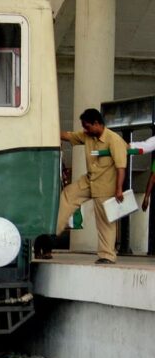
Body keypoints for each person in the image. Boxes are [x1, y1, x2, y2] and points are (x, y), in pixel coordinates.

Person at [44, 108, 127, 264]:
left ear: (97, 123)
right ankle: (52, 233)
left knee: (105, 221)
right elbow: (69, 136)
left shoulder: (114, 140)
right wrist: (48, 130)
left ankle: (107, 255)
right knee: (68, 195)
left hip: (106, 186)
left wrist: (118, 189)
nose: (85, 130)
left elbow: (121, 167)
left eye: (87, 126)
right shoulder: (88, 135)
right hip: (89, 181)